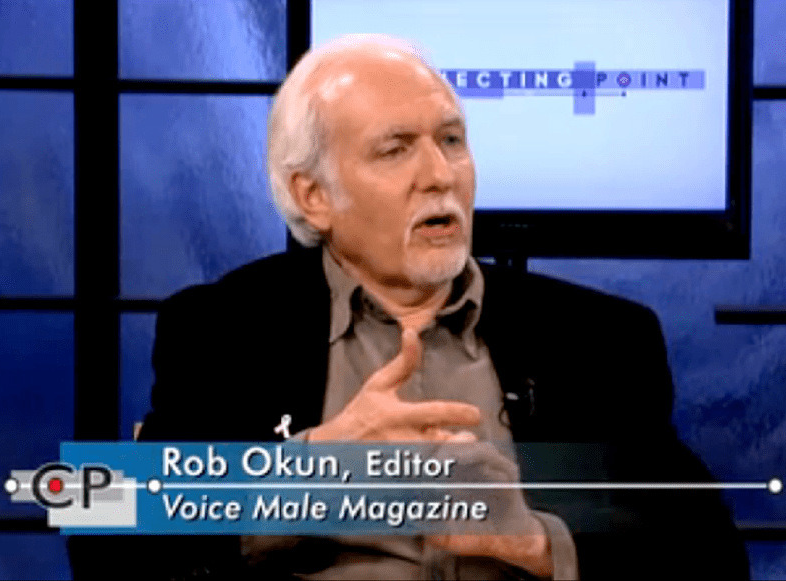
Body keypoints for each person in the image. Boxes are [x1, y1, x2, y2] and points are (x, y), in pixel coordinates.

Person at [69, 35, 750, 580]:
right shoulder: (222, 328)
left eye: (451, 139)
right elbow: (101, 531)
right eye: (396, 149)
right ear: (314, 196)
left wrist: (541, 545)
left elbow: (709, 557)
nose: (440, 173)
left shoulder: (600, 339)